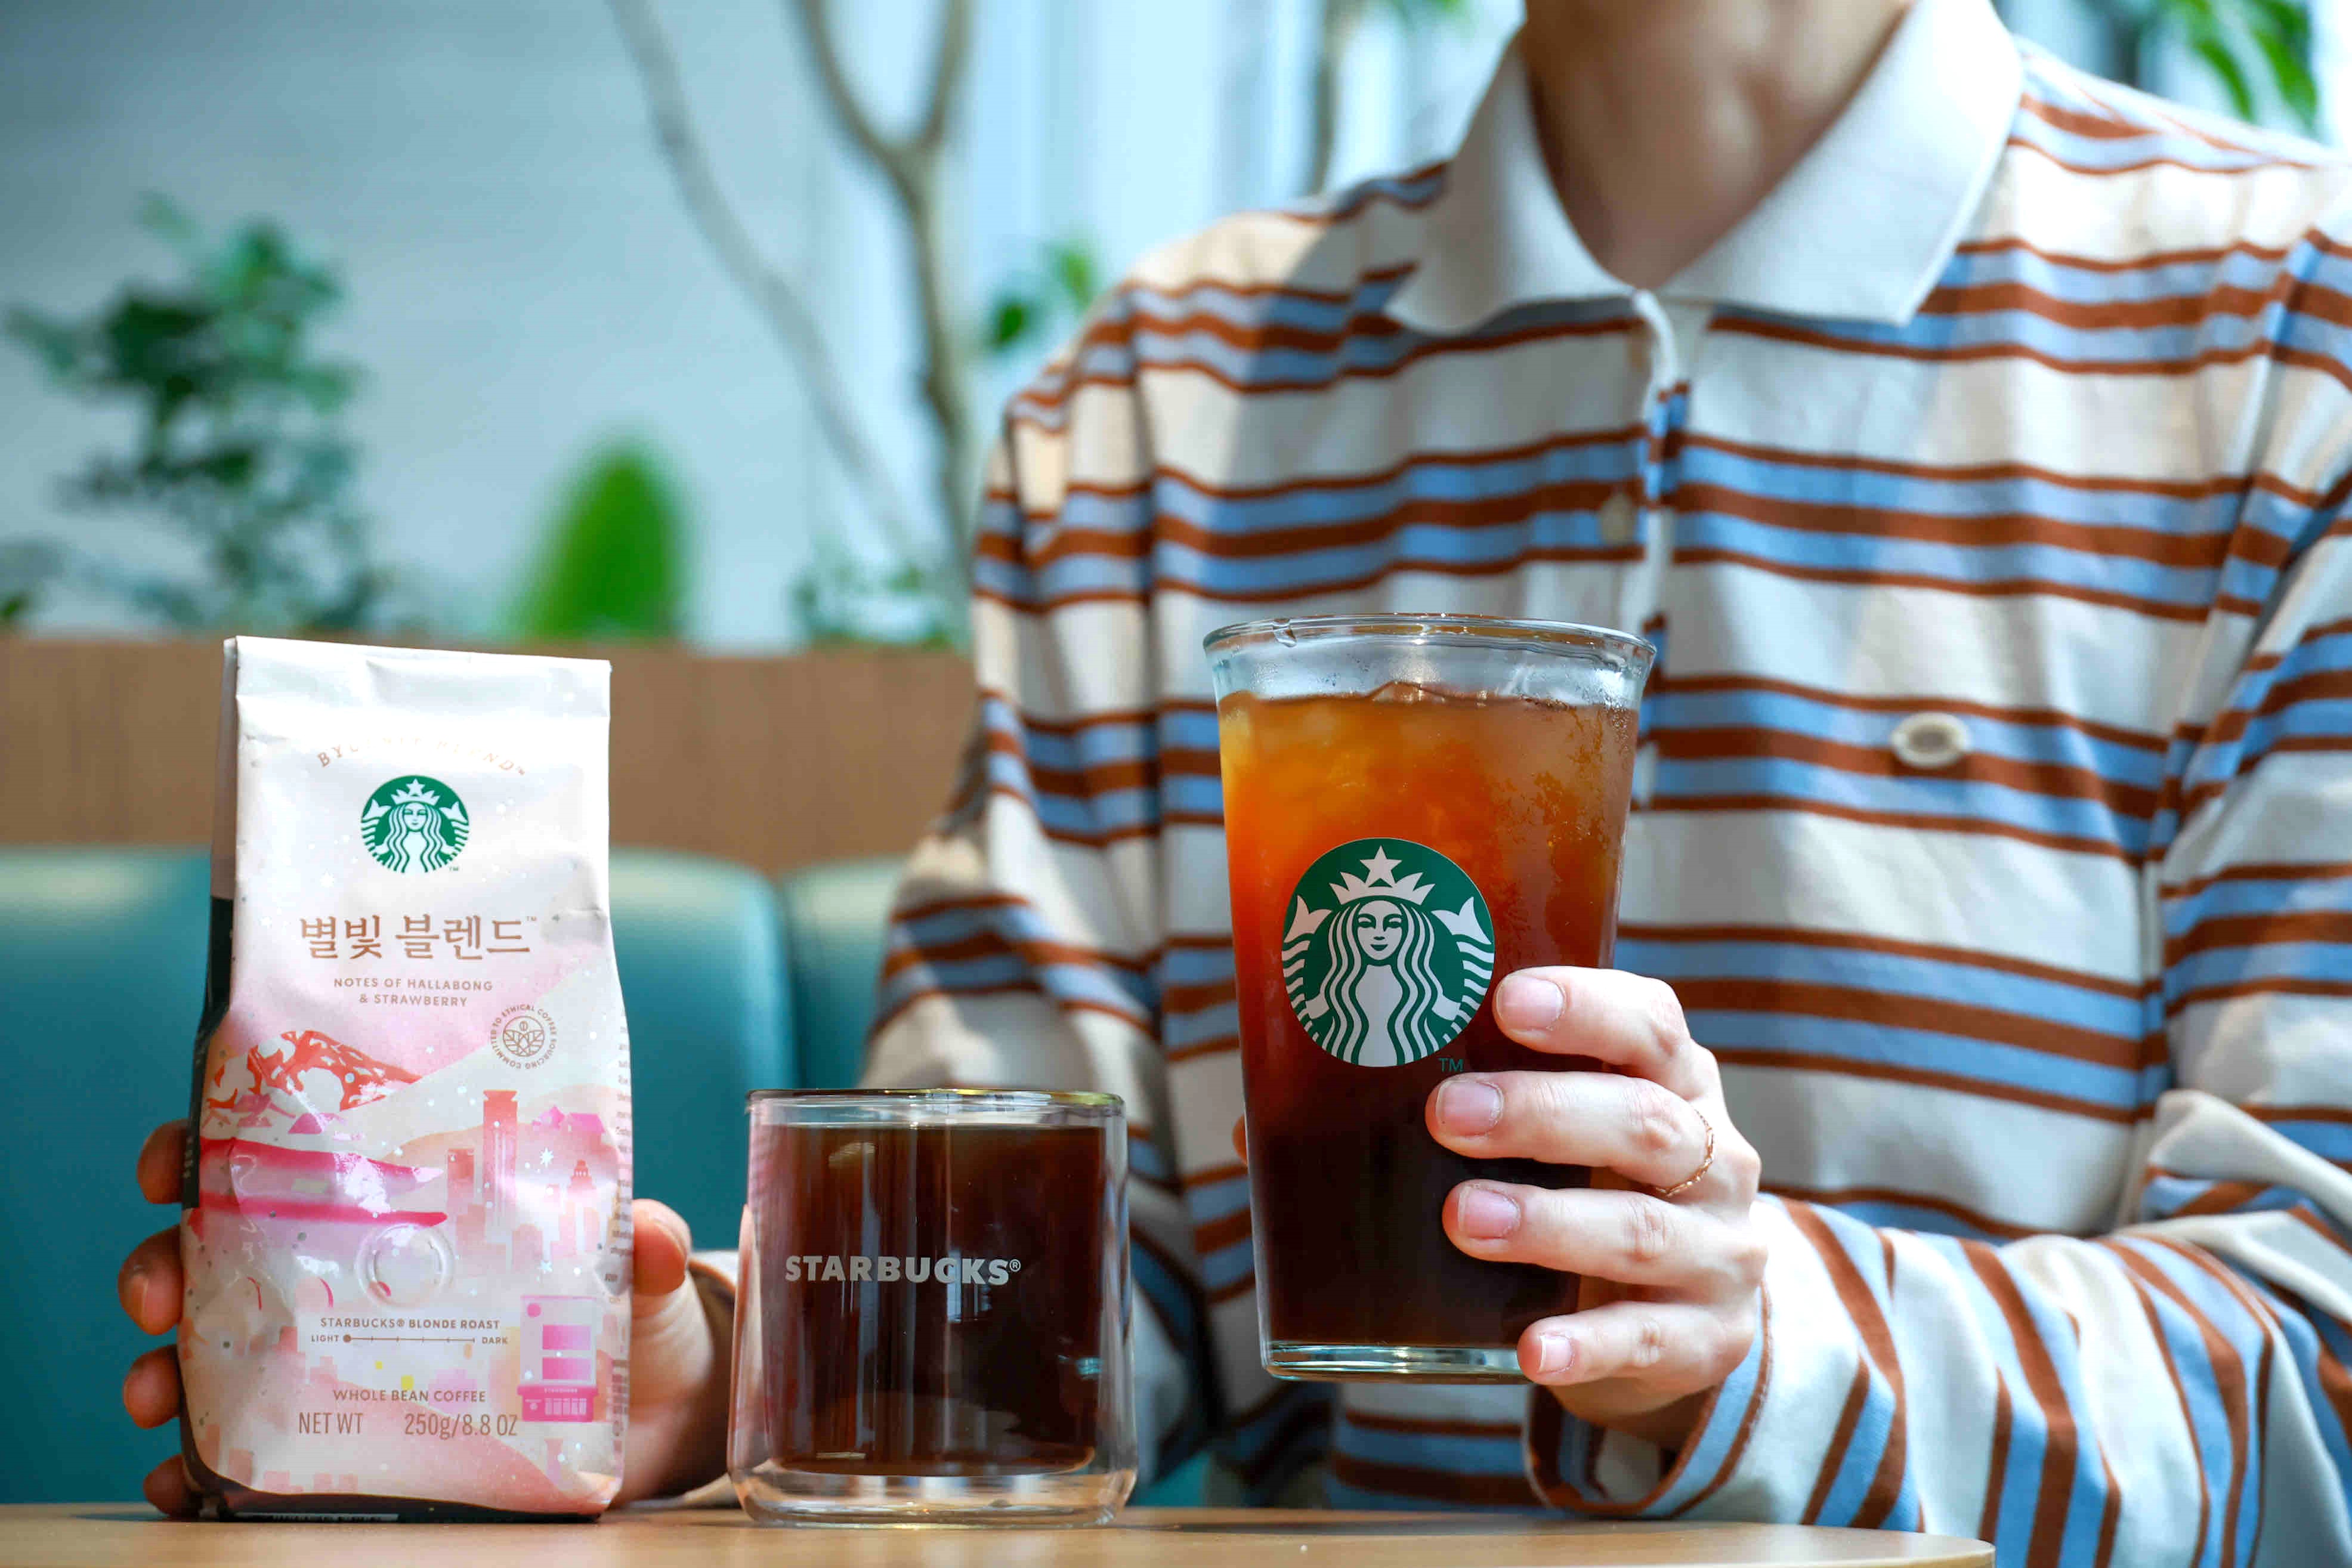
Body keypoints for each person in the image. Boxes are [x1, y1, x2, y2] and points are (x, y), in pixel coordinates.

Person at [118, 0, 2352, 1553]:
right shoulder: (1159, 407)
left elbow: (2318, 1381)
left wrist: (1768, 1349)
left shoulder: (2285, 345)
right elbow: (1078, 1290)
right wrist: (721, 1375)